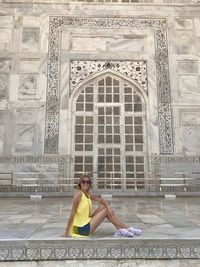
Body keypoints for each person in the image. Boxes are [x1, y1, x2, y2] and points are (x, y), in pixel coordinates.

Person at [65, 174, 142, 238]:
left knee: (103, 207)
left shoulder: (87, 194)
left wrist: (108, 205)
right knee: (105, 210)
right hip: (81, 229)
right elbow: (73, 212)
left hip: (86, 223)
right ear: (80, 183)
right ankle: (127, 228)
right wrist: (67, 231)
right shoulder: (78, 194)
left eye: (88, 182)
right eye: (83, 182)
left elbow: (100, 200)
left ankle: (121, 230)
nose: (85, 184)